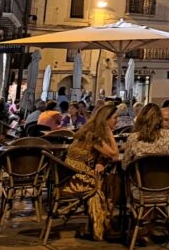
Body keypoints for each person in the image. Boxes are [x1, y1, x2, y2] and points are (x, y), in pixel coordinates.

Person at [62, 103, 120, 240]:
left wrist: (100, 162)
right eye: (115, 118)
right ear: (105, 120)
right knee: (110, 182)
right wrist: (110, 133)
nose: (117, 121)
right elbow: (114, 155)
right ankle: (102, 228)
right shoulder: (93, 135)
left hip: (73, 172)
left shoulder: (91, 131)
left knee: (110, 179)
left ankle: (104, 224)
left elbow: (98, 153)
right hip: (74, 177)